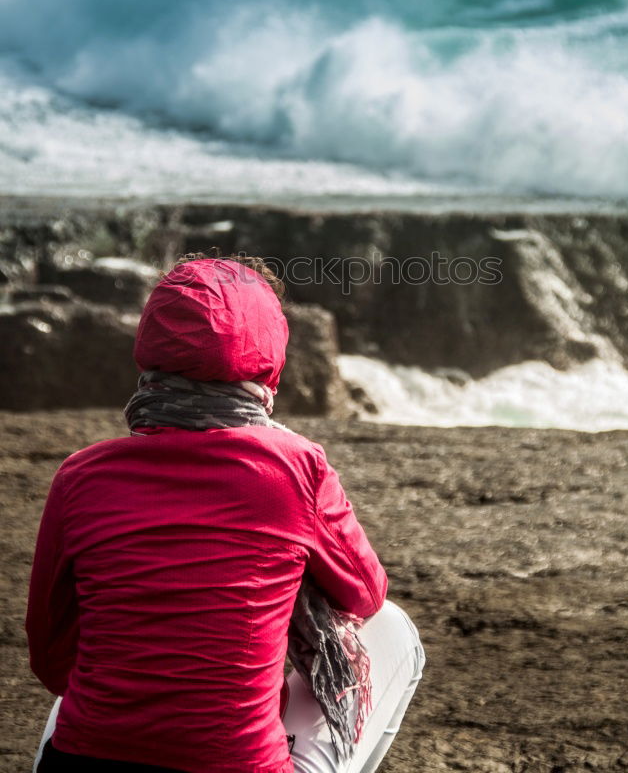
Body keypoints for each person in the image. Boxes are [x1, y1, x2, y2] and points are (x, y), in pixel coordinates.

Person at [26, 256, 425, 773]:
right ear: (266, 358)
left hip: (82, 763)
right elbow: (366, 594)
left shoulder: (80, 476)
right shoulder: (295, 465)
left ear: (150, 353)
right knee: (392, 629)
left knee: (86, 682)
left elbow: (53, 659)